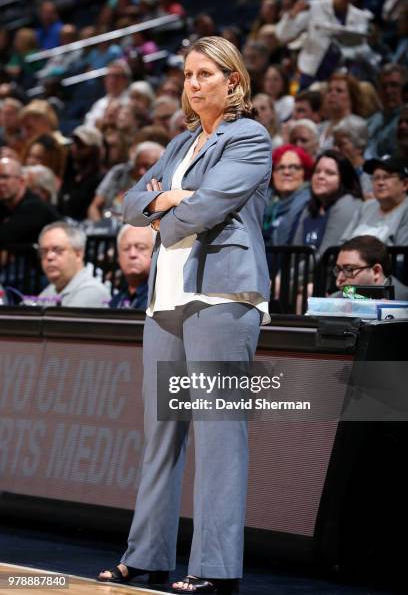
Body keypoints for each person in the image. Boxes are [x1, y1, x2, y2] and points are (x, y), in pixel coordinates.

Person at [97, 35, 272, 594]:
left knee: (220, 436)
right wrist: (163, 203)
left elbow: (209, 205)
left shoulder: (250, 138)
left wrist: (166, 206)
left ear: (234, 82)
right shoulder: (180, 143)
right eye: (188, 75)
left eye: (205, 74)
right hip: (165, 301)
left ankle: (216, 569)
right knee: (161, 437)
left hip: (222, 300)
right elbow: (128, 204)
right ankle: (147, 557)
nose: (193, 84)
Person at [275, 0, 371, 89]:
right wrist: (293, 14)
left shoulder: (360, 17)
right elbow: (283, 35)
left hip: (339, 76)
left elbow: (362, 49)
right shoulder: (314, 7)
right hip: (310, 74)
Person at [292, 149, 364, 256]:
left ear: (343, 179)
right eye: (317, 171)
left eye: (330, 173)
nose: (320, 176)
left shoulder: (348, 203)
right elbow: (294, 253)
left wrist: (292, 272)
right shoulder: (310, 207)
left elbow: (326, 256)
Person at [38, 221, 110, 307]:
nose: (49, 257)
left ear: (78, 255)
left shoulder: (92, 291)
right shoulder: (49, 291)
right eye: (44, 252)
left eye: (58, 250)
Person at [87, 141, 164, 221]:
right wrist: (99, 227)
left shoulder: (161, 184)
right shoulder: (118, 173)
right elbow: (94, 207)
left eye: (149, 167)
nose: (141, 171)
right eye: (139, 165)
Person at [341, 154, 408, 245]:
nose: (380, 182)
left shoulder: (405, 210)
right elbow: (342, 243)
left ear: (405, 184)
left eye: (386, 177)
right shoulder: (366, 207)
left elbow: (401, 256)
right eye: (376, 178)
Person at [0, 156, 59, 247]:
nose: (1, 182)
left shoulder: (34, 207)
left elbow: (4, 236)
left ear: (21, 181)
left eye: (5, 177)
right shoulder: (5, 204)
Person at [263, 143, 314, 247]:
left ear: (305, 172)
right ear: (273, 173)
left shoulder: (311, 204)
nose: (286, 172)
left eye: (294, 167)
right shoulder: (262, 202)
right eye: (281, 167)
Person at [332, 235, 408, 300]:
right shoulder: (335, 299)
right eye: (338, 270)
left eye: (349, 269)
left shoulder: (404, 301)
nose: (339, 280)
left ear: (376, 271)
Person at [109, 224, 153, 309]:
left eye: (141, 248)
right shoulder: (116, 300)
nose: (132, 254)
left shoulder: (164, 299)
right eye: (126, 248)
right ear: (118, 257)